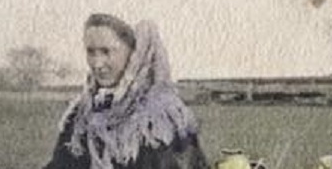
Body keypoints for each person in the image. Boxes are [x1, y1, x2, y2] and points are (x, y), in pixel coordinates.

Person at [43, 15, 209, 169]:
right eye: (90, 52)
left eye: (106, 52)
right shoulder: (81, 115)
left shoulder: (161, 119)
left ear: (132, 53)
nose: (97, 64)